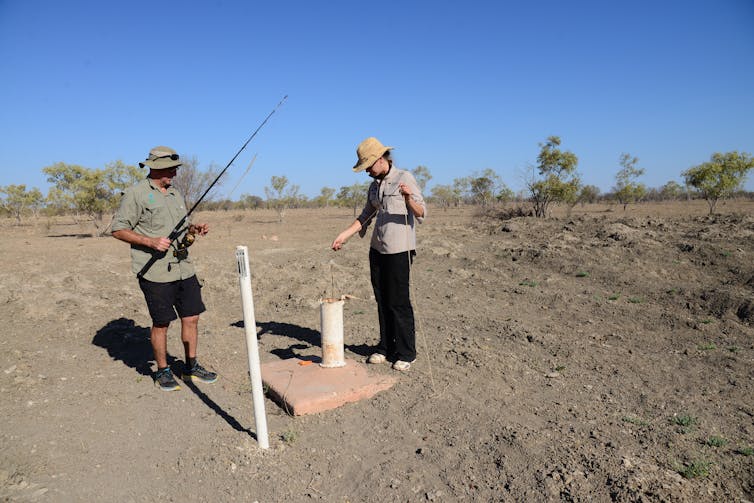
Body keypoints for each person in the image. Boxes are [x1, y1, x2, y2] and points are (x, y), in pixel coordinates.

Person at [112, 146, 217, 391]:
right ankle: (163, 370)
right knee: (162, 323)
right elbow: (118, 229)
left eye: (175, 168)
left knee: (191, 318)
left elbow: (180, 227)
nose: (175, 174)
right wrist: (149, 241)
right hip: (155, 272)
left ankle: (191, 367)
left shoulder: (175, 195)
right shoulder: (135, 194)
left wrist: (193, 229)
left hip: (183, 267)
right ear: (156, 167)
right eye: (171, 169)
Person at [332, 137, 426, 371]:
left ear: (381, 159)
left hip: (399, 250)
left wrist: (408, 199)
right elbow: (365, 215)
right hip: (378, 249)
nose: (367, 172)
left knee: (399, 302)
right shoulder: (374, 186)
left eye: (368, 167)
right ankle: (386, 347)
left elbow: (422, 212)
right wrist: (344, 235)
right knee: (382, 300)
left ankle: (406, 352)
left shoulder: (404, 178)